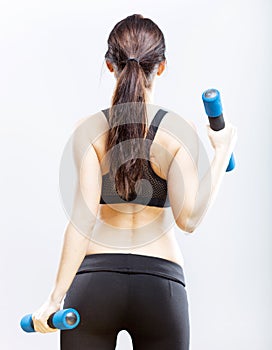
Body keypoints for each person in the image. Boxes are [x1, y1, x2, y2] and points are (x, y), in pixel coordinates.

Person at [32, 14, 237, 350]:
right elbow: (190, 219)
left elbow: (81, 222)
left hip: (94, 284)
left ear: (110, 66)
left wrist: (55, 298)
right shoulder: (177, 131)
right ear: (162, 66)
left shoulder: (88, 130)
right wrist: (221, 152)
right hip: (160, 287)